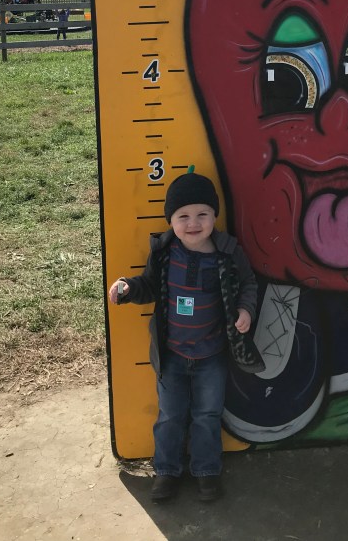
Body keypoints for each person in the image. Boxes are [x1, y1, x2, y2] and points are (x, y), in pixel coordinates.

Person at [108, 170, 263, 504]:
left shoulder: (228, 252)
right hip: (172, 357)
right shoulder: (164, 253)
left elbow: (249, 283)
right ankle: (167, 471)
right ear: (171, 220)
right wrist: (128, 287)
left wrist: (246, 310)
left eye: (202, 214)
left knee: (207, 415)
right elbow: (149, 285)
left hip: (212, 356)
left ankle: (206, 471)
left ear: (214, 215)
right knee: (170, 416)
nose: (193, 223)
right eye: (183, 216)